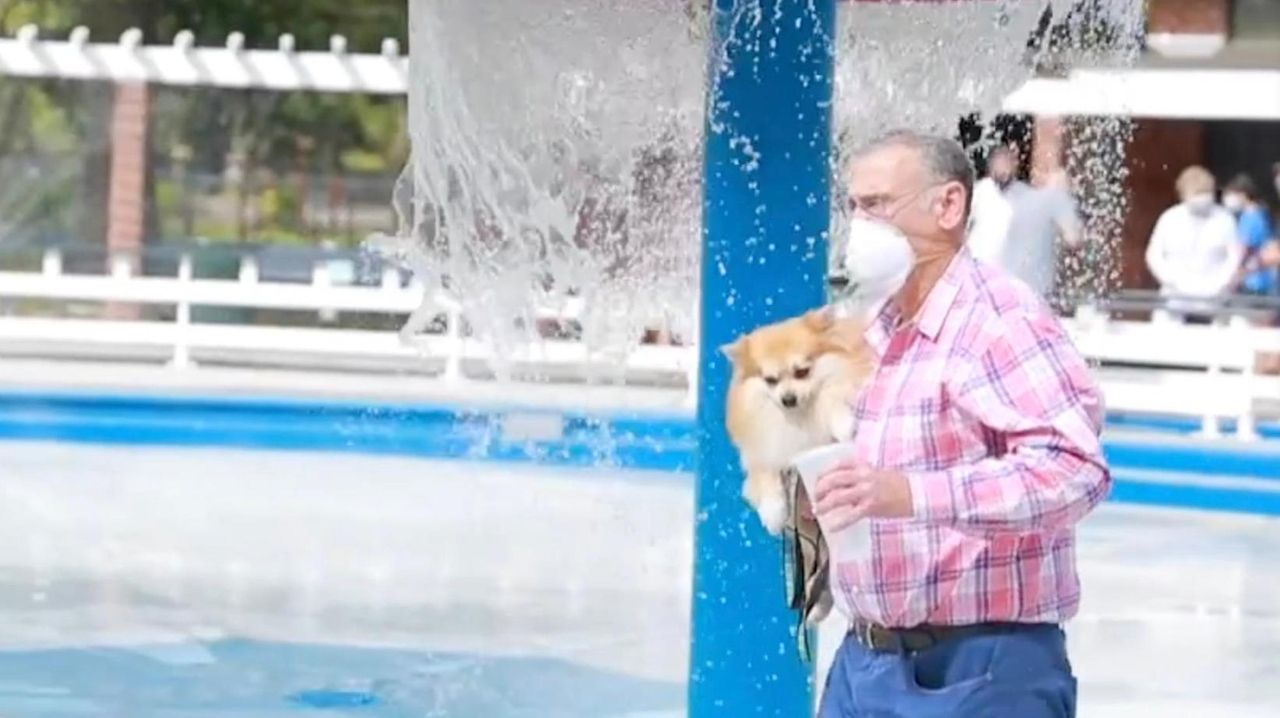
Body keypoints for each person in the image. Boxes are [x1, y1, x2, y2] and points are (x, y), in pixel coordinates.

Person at [815, 129, 1108, 717]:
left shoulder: (999, 321)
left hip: (980, 670)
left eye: (877, 205)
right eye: (853, 207)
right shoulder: (877, 326)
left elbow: (1074, 473)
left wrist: (910, 493)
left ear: (948, 205)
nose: (860, 225)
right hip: (867, 660)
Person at [1143, 166, 1242, 322]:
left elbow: (1234, 257)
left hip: (1216, 298)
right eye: (1197, 193)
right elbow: (1153, 255)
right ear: (1183, 194)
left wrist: (1221, 283)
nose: (1202, 198)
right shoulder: (1170, 218)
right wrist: (1171, 280)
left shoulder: (1225, 219)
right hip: (1175, 298)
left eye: (1205, 192)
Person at [999, 166, 1084, 300]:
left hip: (1005, 280)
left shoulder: (1020, 194)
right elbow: (1073, 239)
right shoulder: (1057, 197)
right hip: (1036, 286)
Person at [967, 144, 1030, 267]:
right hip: (978, 263)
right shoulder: (979, 191)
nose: (1003, 170)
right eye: (999, 164)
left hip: (1009, 269)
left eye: (1006, 164)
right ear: (990, 166)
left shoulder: (1024, 194)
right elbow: (962, 224)